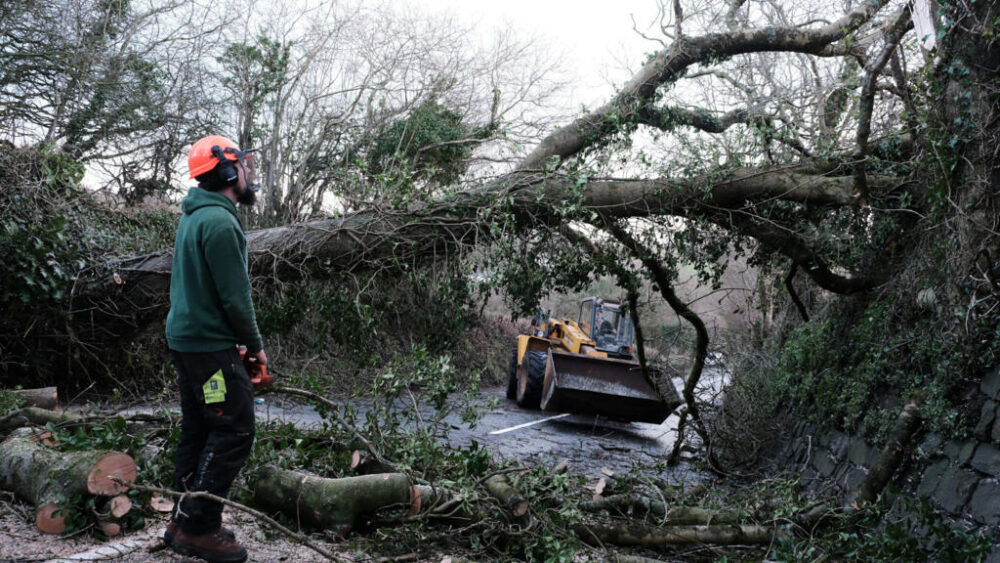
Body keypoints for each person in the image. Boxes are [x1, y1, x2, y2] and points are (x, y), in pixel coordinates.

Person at [163, 135, 266, 563]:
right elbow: (235, 298)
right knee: (234, 428)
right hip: (208, 347)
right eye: (243, 166)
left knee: (201, 427)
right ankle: (198, 528)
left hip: (189, 342)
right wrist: (256, 348)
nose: (248, 173)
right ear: (228, 171)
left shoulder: (195, 216)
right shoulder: (221, 224)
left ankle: (184, 518)